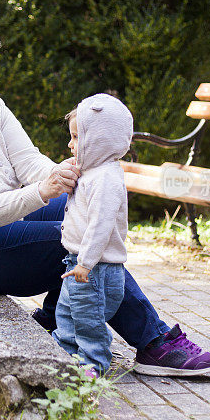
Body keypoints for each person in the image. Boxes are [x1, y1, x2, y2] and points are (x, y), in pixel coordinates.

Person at [0, 5, 210, 376]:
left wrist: (71, 180)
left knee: (80, 210)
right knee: (73, 238)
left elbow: (29, 162)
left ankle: (60, 317)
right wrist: (44, 190)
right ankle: (154, 343)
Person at [51, 94, 133, 376]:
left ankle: (94, 364)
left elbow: (101, 225)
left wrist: (85, 262)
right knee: (66, 315)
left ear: (99, 141)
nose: (70, 144)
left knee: (88, 320)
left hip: (95, 269)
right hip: (76, 264)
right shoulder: (91, 172)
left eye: (76, 137)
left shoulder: (106, 178)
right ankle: (63, 354)